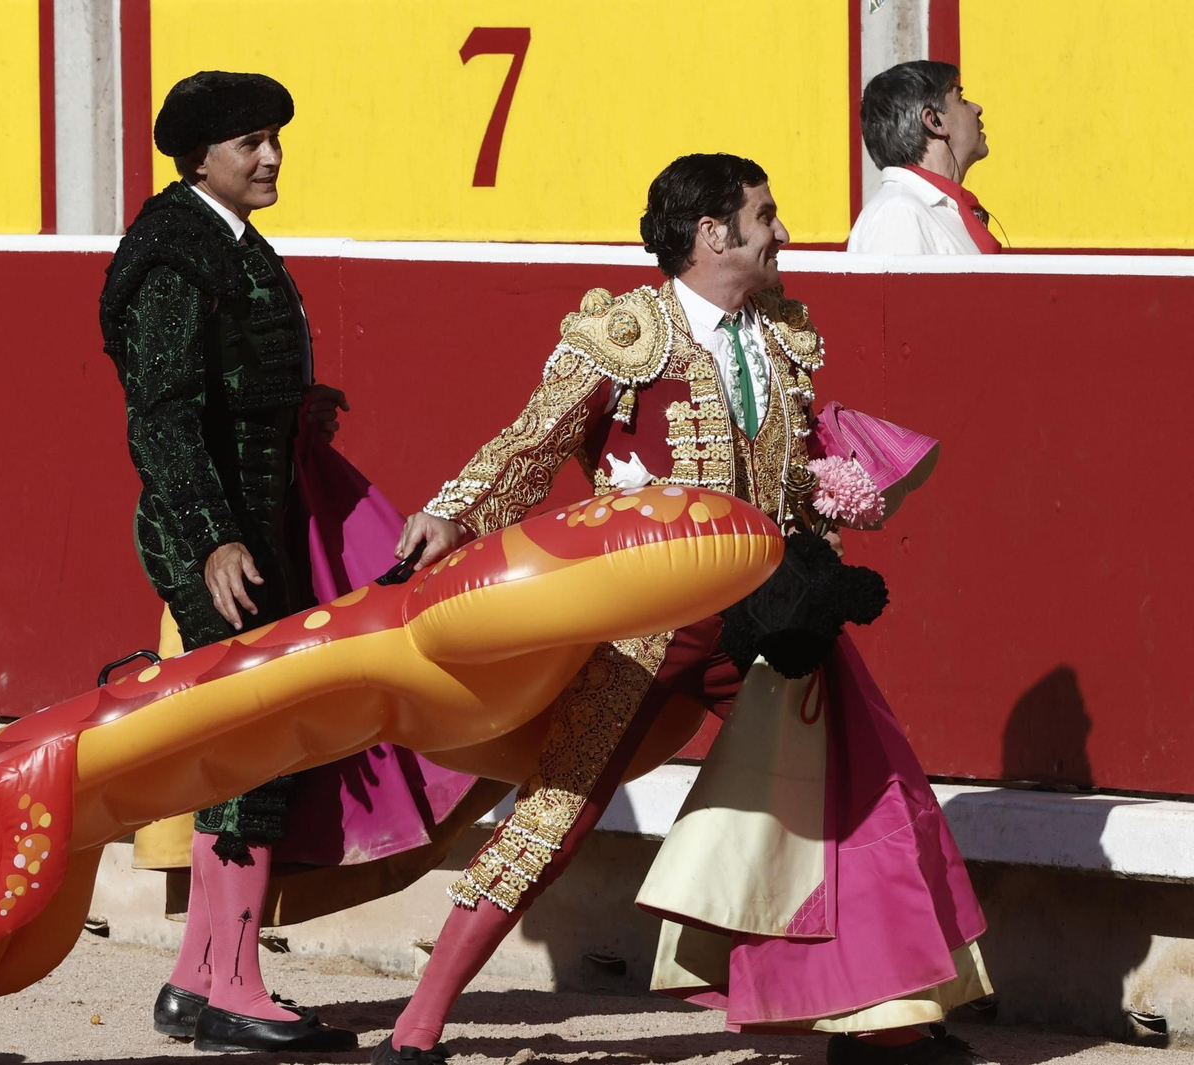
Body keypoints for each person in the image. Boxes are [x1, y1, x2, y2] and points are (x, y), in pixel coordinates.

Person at [386, 154, 989, 1065]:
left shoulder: (781, 334)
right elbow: (532, 441)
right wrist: (454, 511)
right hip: (645, 623)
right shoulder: (626, 335)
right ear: (713, 234)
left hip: (768, 616)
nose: (783, 232)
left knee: (858, 789)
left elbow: (790, 471)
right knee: (556, 808)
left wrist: (836, 500)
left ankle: (884, 1020)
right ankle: (419, 1023)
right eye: (765, 215)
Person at [97, 70, 357, 1055]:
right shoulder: (177, 253)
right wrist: (212, 535)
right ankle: (236, 992)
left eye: (275, 137)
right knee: (254, 740)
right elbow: (162, 415)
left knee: (241, 741)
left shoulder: (219, 238)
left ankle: (199, 978)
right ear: (198, 156)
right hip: (213, 530)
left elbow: (223, 379)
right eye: (250, 142)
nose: (272, 155)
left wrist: (294, 406)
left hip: (249, 518)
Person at [848, 60, 998, 254]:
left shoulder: (920, 210)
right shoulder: (900, 212)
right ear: (934, 121)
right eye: (960, 99)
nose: (977, 108)